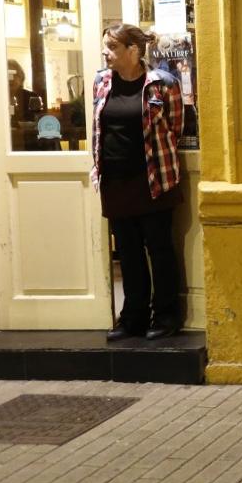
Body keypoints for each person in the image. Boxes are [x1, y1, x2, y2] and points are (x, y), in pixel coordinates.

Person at [91, 24, 185, 342]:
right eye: (105, 46)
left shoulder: (163, 83)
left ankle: (167, 315)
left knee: (159, 249)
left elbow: (175, 127)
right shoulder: (101, 82)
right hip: (115, 181)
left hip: (153, 179)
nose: (106, 52)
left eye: (112, 47)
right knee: (127, 252)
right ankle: (133, 316)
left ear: (133, 51)